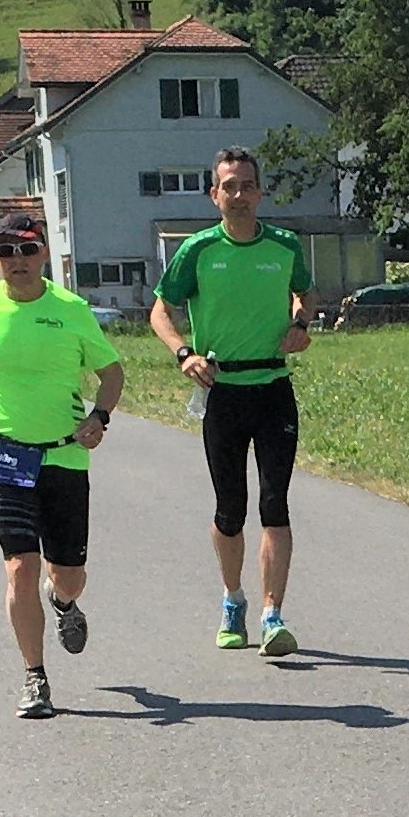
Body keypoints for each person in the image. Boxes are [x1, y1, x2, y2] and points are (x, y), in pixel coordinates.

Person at [0, 213, 124, 719]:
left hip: (63, 454)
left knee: (69, 574)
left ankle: (63, 603)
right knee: (20, 566)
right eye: (6, 252)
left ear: (43, 256)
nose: (17, 261)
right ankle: (35, 678)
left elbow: (111, 372)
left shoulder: (71, 310)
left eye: (26, 250)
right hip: (6, 455)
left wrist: (99, 416)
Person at [150, 147, 318, 657]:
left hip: (272, 389)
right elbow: (160, 310)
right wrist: (183, 354)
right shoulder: (198, 251)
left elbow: (306, 294)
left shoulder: (285, 245)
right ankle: (232, 600)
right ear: (214, 195)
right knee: (230, 510)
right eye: (229, 187)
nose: (238, 195)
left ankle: (273, 615)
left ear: (260, 192)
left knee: (275, 504)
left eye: (247, 185)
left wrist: (301, 324)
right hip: (221, 392)